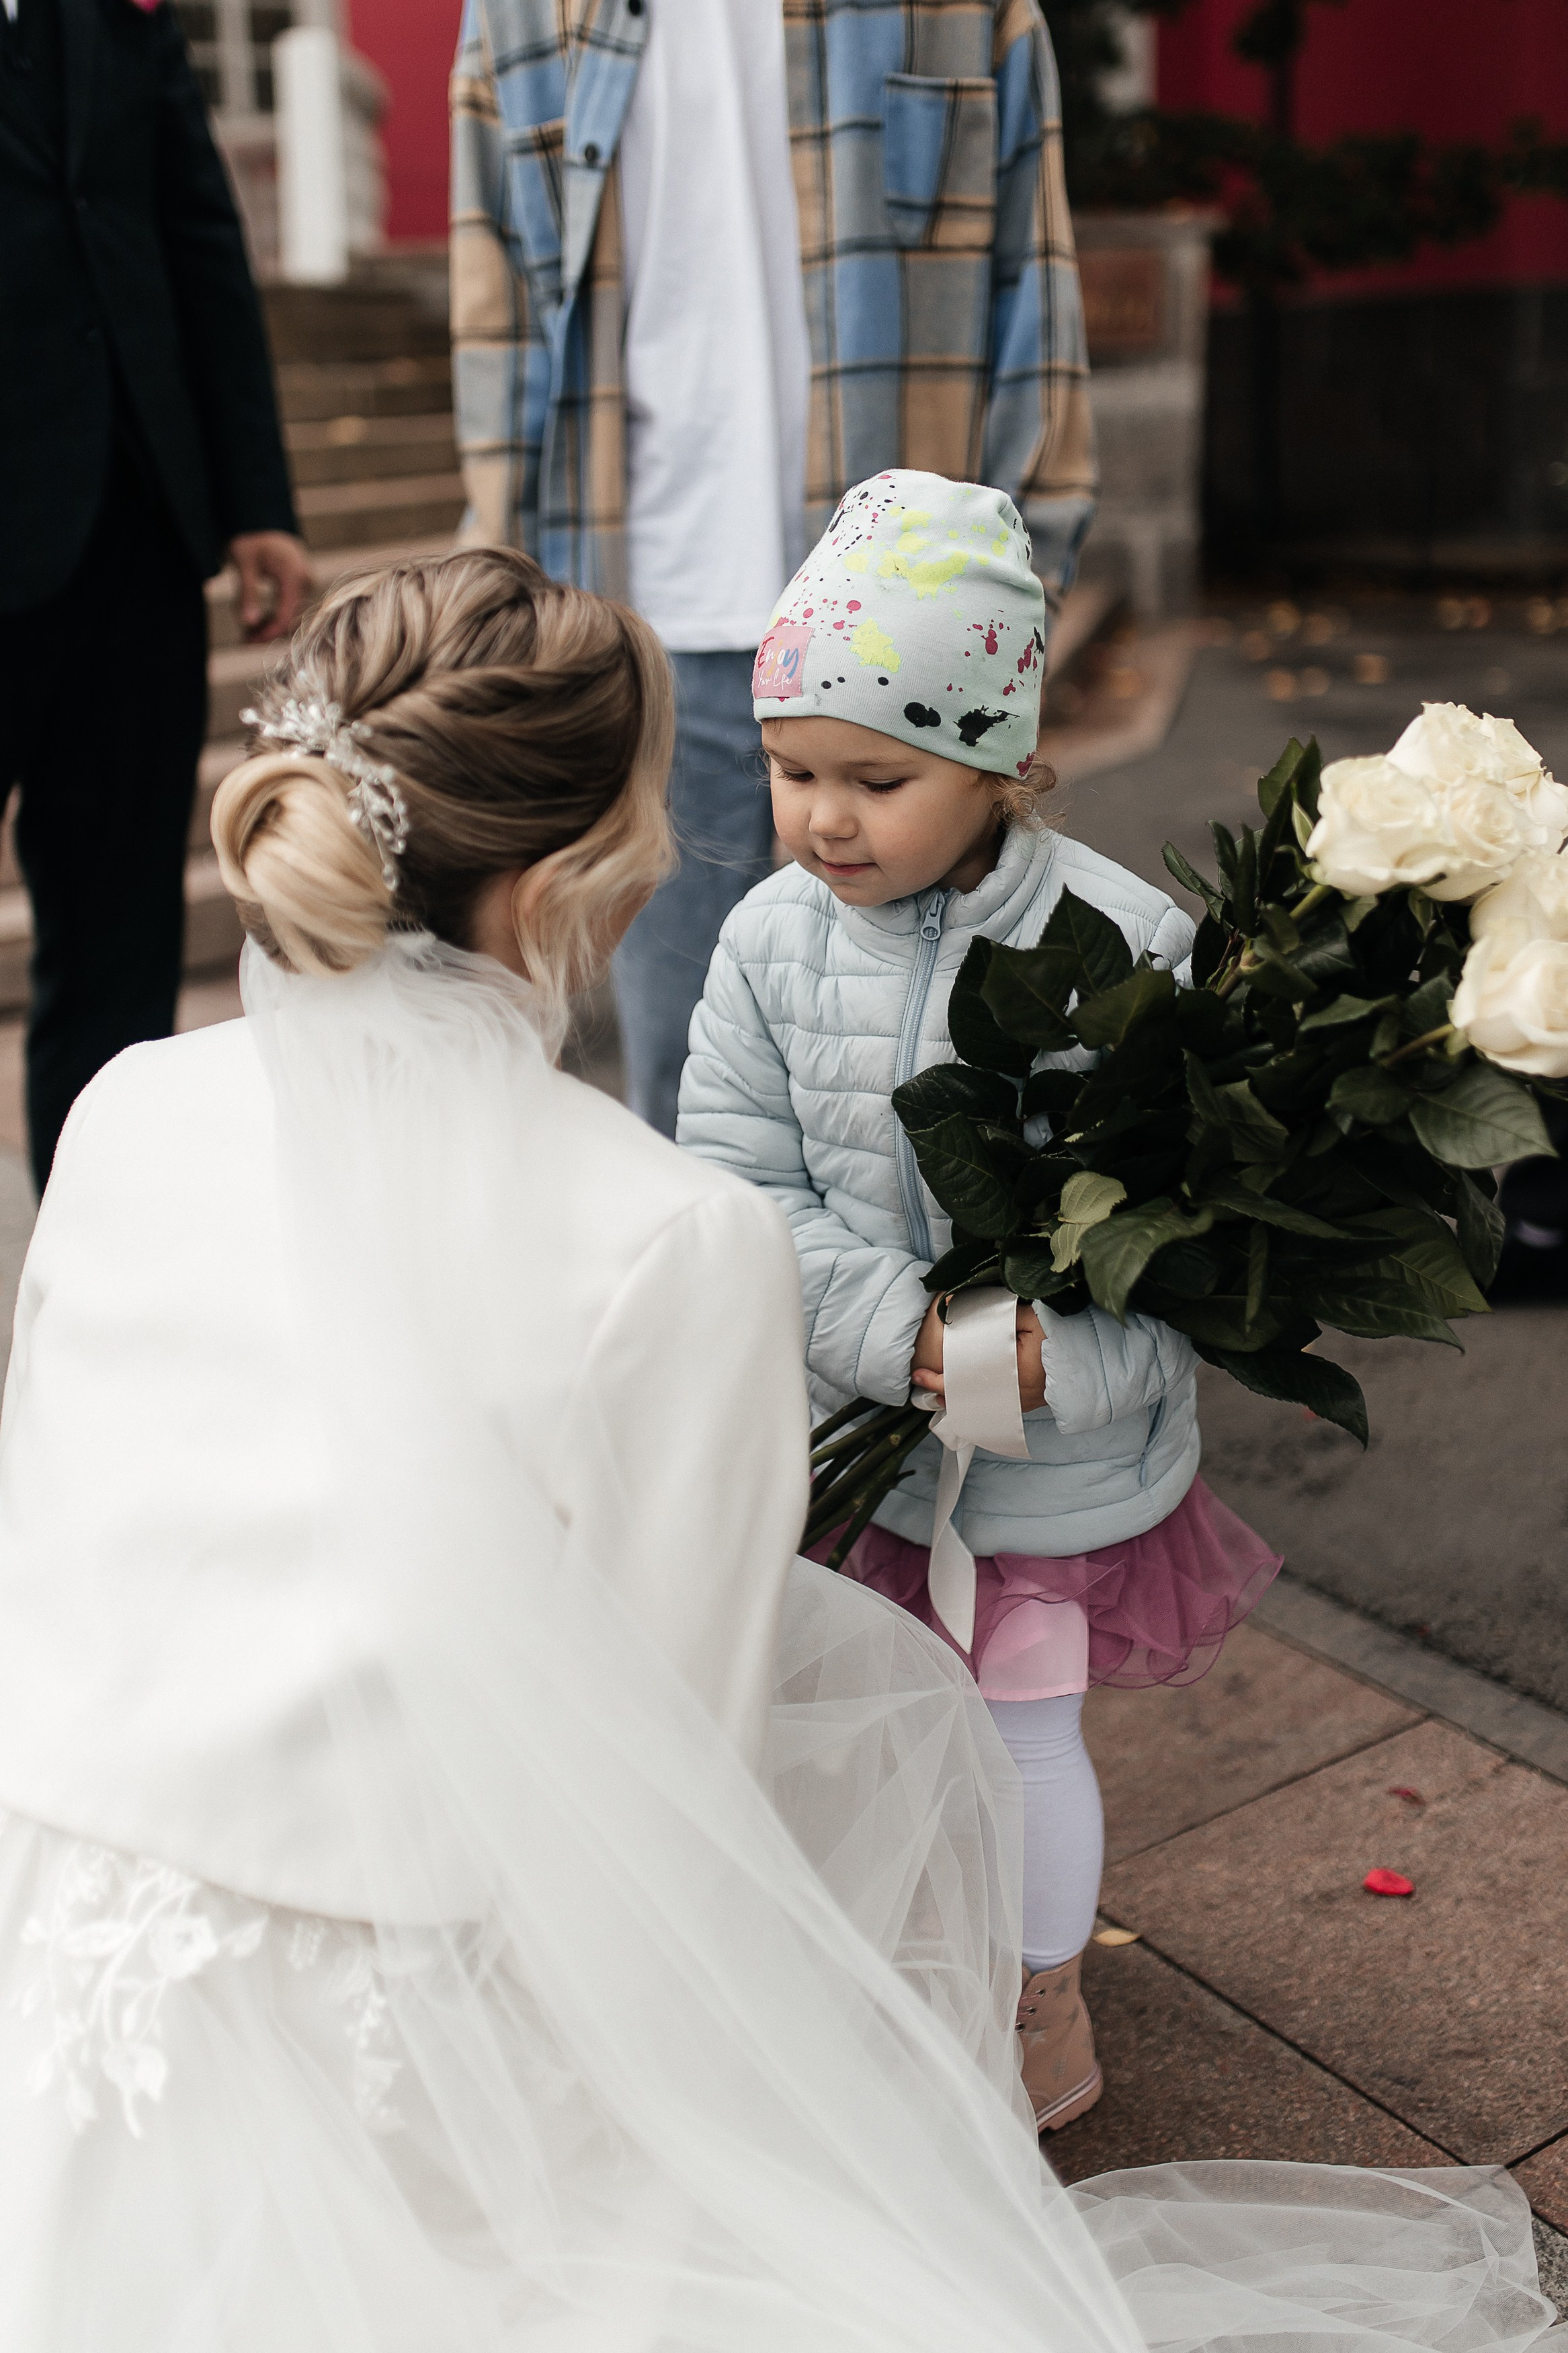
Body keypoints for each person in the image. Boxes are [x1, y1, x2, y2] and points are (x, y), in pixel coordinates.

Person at [0, 547, 1549, 2351]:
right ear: (586, 870)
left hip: (64, 1943)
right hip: (406, 2030)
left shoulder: (123, 1100)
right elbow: (673, 1771)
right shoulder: (668, 1241)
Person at [679, 471, 1283, 2135]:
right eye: (794, 772)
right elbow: (740, 1184)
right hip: (857, 1439)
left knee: (1022, 1733)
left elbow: (1188, 1247)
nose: (824, 819)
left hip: (1048, 1475)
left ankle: (1039, 1994)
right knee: (865, 1724)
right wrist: (907, 1341)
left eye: (878, 777)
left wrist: (1030, 1367)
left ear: (1009, 761)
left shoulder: (1125, 945)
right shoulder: (766, 943)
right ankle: (891, 1949)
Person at [450, 0, 1096, 1137]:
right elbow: (496, 322)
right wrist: (523, 629)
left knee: (948, 1112)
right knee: (694, 1117)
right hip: (646, 640)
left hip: (915, 658)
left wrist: (1012, 620)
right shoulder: (520, 15)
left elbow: (1031, 302)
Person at [0, 0, 310, 1191]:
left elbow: (193, 231)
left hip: (129, 534)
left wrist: (255, 496)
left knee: (118, 947)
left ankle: (102, 1262)